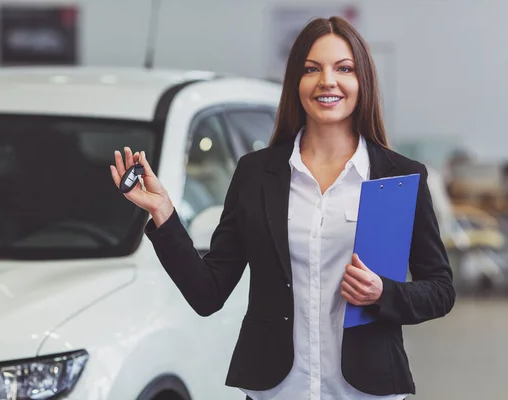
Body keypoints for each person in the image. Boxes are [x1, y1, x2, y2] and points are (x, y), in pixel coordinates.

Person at [110, 16, 455, 400]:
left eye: (344, 69)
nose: (328, 81)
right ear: (295, 82)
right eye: (312, 69)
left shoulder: (399, 177)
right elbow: (207, 294)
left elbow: (440, 290)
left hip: (368, 391)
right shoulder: (257, 174)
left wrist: (383, 293)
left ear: (363, 83)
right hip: (278, 390)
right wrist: (163, 213)